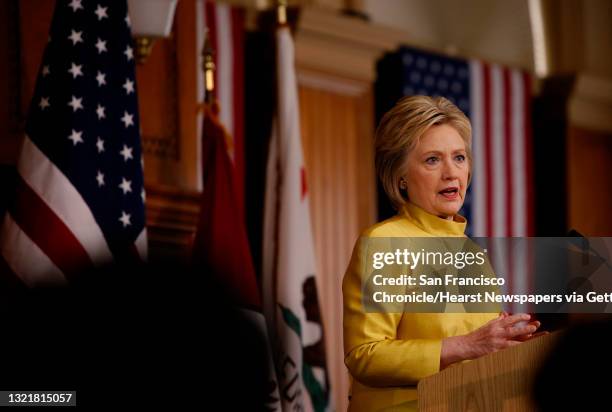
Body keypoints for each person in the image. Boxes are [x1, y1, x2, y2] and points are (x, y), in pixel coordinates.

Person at [342, 96, 543, 411]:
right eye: (432, 160)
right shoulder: (384, 241)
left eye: (459, 158)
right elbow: (365, 355)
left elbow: (480, 357)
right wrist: (466, 345)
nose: (451, 173)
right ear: (401, 176)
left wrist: (510, 347)